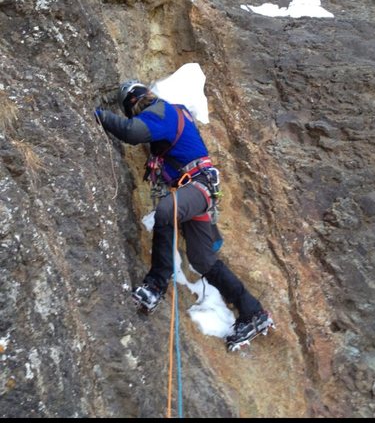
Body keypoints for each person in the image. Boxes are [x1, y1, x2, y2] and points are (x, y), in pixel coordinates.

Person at [95, 79, 274, 349]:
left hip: (197, 187)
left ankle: (156, 284)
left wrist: (97, 115)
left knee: (167, 209)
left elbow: (132, 132)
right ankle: (252, 312)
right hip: (199, 189)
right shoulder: (170, 115)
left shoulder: (162, 111)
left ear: (134, 102)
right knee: (203, 260)